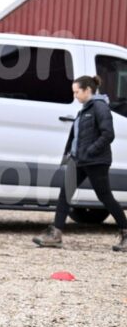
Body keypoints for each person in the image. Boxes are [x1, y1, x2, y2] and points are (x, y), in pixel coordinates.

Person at [33, 75, 127, 251]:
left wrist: (91, 150)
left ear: (87, 90)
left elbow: (108, 134)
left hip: (96, 161)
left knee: (105, 197)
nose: (75, 96)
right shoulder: (84, 110)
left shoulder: (100, 107)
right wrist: (69, 154)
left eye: (77, 92)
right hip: (79, 160)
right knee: (65, 193)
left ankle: (125, 232)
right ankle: (55, 235)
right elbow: (76, 136)